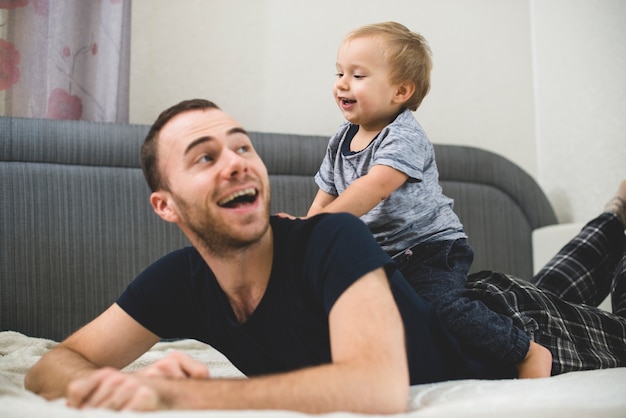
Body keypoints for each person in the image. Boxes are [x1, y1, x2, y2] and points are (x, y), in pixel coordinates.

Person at [24, 99, 626, 413]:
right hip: (486, 308)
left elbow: (378, 389)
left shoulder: (330, 240)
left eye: (242, 146)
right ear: (166, 205)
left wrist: (187, 395)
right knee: (552, 283)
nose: (237, 160)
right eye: (205, 157)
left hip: (513, 328)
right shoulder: (179, 283)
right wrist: (102, 386)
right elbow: (54, 364)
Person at [299, 21, 541, 376]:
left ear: (400, 91)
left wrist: (323, 225)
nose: (342, 83)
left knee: (442, 307)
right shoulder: (340, 139)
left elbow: (373, 187)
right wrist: (303, 236)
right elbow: (324, 197)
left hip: (431, 250)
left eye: (358, 75)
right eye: (339, 73)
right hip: (384, 256)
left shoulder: (404, 134)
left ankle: (526, 351)